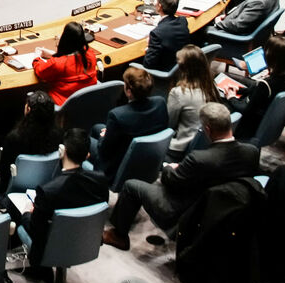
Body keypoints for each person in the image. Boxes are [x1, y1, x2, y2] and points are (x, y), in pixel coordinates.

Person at [102, 103, 260, 251]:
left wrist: (169, 169)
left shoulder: (200, 159)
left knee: (131, 186)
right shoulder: (251, 152)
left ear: (207, 129)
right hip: (225, 210)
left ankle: (119, 236)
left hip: (184, 210)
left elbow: (171, 182)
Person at [16, 129, 108, 272]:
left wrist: (26, 213)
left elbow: (35, 231)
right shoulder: (101, 181)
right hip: (86, 242)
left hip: (52, 247)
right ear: (87, 156)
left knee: (18, 213)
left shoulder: (47, 191)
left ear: (62, 151)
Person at [98, 67, 168, 177]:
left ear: (129, 92)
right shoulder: (160, 103)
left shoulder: (117, 115)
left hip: (120, 165)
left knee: (94, 135)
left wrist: (104, 136)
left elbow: (104, 151)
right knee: (97, 127)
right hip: (149, 157)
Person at [0, 91, 61, 195]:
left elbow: (4, 173)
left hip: (15, 189)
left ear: (28, 109)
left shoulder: (14, 138)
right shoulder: (59, 133)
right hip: (46, 183)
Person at [227, 35, 285, 139]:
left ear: (269, 56)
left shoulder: (265, 85)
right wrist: (240, 90)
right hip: (266, 125)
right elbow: (257, 94)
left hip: (248, 128)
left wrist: (231, 97)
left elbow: (246, 110)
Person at [166, 47, 222, 158]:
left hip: (181, 149)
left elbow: (169, 124)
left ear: (184, 69)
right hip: (206, 144)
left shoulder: (178, 93)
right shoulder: (212, 87)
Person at [34, 22, 99, 106]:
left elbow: (40, 72)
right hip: (87, 104)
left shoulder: (58, 63)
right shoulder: (90, 54)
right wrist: (54, 54)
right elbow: (74, 56)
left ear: (64, 39)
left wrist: (36, 58)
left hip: (64, 108)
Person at [142, 0, 189, 71]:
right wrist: (154, 22)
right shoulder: (183, 21)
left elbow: (148, 64)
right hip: (180, 65)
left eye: (156, 1)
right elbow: (169, 27)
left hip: (164, 70)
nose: (154, 3)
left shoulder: (156, 34)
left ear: (159, 7)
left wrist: (150, 46)